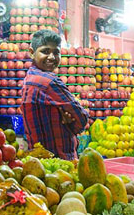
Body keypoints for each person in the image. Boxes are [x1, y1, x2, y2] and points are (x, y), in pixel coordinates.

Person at [21, 30, 89, 160]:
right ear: (31, 53)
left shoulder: (30, 78)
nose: (52, 57)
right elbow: (82, 119)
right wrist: (70, 123)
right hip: (60, 161)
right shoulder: (49, 82)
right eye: (45, 51)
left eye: (56, 52)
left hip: (39, 161)